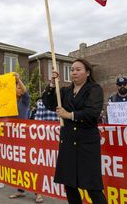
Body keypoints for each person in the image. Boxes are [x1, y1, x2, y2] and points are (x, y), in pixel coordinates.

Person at [42, 58, 106, 204]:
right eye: (72, 70)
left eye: (78, 69)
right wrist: (53, 84)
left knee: (93, 187)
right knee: (70, 185)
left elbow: (92, 114)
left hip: (87, 144)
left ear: (87, 72)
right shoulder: (65, 91)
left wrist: (69, 115)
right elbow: (49, 103)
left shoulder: (94, 89)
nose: (74, 72)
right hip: (68, 143)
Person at [9, 73, 43, 203]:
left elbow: (25, 91)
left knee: (30, 165)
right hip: (14, 137)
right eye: (15, 87)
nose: (17, 89)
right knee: (18, 165)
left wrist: (18, 79)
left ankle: (38, 192)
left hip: (25, 137)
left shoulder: (24, 101)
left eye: (18, 87)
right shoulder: (9, 103)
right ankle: (20, 190)